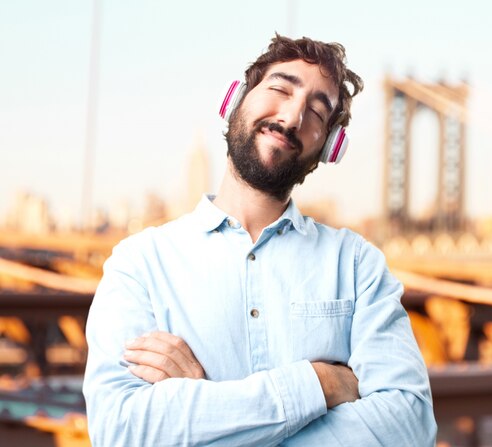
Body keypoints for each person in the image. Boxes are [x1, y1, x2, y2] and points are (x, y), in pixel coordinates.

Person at [83, 34, 437, 446]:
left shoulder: (357, 265)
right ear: (235, 99)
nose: (291, 118)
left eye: (317, 113)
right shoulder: (139, 264)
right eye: (280, 89)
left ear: (329, 148)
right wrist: (320, 384)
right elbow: (121, 431)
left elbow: (408, 428)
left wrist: (207, 410)